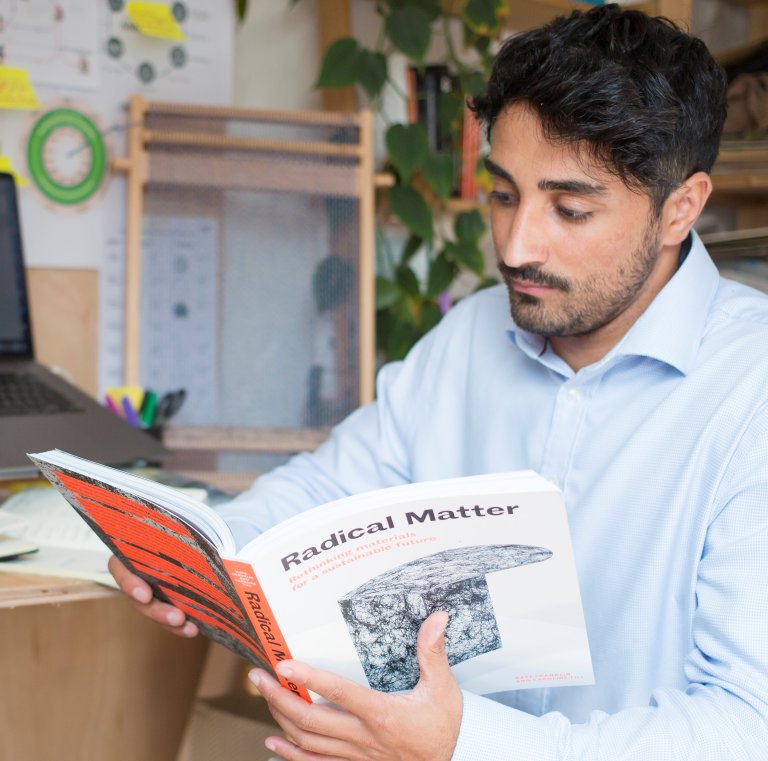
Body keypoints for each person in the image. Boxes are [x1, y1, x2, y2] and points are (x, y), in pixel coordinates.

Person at [110, 5, 768, 759]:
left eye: (571, 208)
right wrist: (201, 559)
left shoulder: (752, 392)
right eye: (503, 193)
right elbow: (328, 488)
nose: (518, 245)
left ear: (681, 207)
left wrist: (462, 744)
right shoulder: (469, 337)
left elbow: (749, 726)